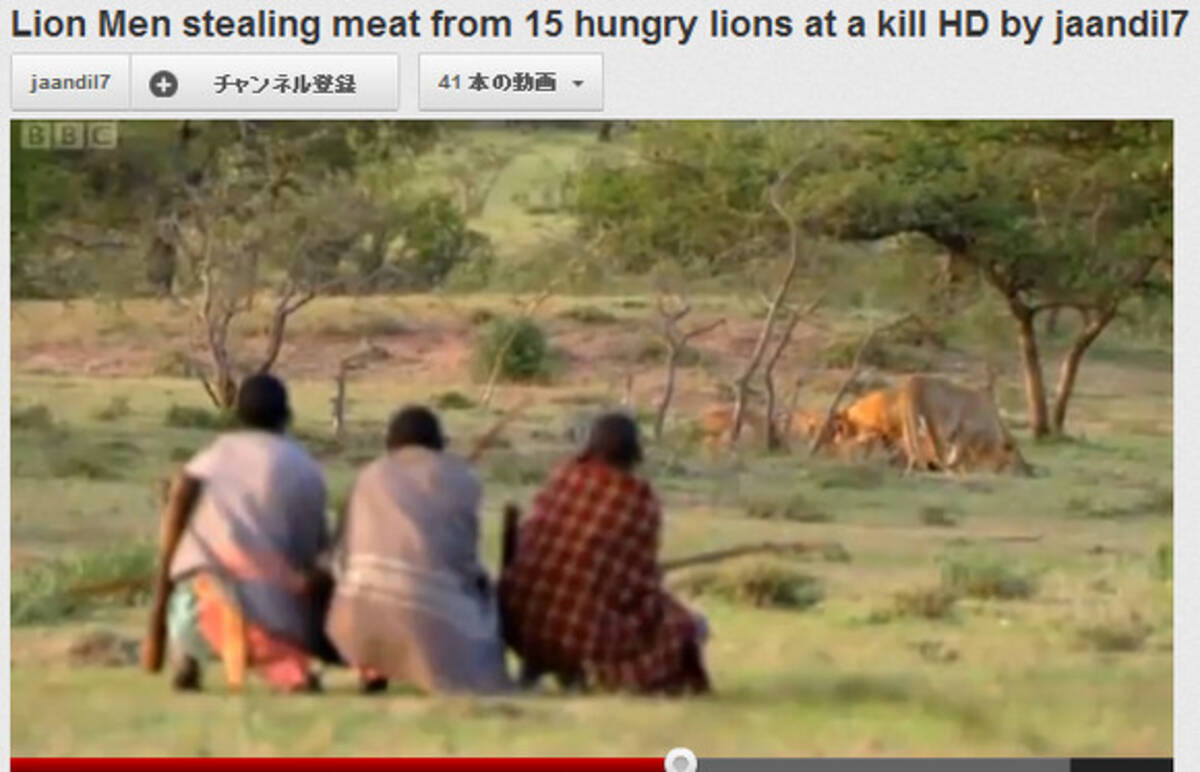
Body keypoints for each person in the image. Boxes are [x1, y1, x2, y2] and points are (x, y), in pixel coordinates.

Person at [499, 412, 710, 695]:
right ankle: (590, 675)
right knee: (685, 624)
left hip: (518, 624)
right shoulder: (638, 499)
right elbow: (638, 583)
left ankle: (539, 668)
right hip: (582, 638)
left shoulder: (563, 476)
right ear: (634, 451)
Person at [165, 373, 335, 692]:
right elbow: (314, 550)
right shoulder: (306, 468)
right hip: (278, 601)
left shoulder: (213, 456)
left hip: (206, 599)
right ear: (287, 416)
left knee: (189, 586)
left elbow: (182, 500)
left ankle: (186, 655)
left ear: (238, 415)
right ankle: (289, 664)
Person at [324, 406, 511, 694]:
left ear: (390, 444)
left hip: (357, 622)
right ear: (439, 444)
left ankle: (371, 667)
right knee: (483, 592)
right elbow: (465, 559)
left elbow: (340, 555)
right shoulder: (464, 481)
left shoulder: (368, 477)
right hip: (437, 621)